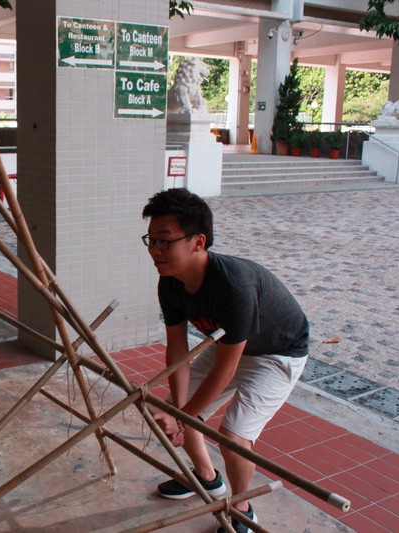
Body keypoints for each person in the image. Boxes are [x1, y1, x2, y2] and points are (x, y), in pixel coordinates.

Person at [141, 188, 309, 533]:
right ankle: (206, 478)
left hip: (278, 353)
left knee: (233, 435)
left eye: (165, 241)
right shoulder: (170, 281)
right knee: (175, 406)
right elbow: (177, 351)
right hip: (231, 347)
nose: (154, 250)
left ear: (198, 242)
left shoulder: (234, 285)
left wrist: (186, 419)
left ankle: (242, 509)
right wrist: (180, 412)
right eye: (151, 240)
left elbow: (227, 367)